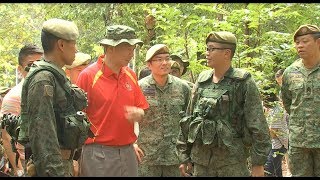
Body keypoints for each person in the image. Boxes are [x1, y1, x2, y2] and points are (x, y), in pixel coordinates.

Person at [176, 31, 271, 177]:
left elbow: (258, 124)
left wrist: (258, 163)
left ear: (227, 53)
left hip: (232, 163)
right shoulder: (202, 80)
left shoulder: (243, 82)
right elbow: (189, 120)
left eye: (212, 49)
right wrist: (184, 156)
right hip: (201, 163)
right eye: (207, 49)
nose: (207, 53)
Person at [17, 18, 89, 177]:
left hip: (62, 164)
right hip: (52, 169)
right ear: (61, 45)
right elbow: (44, 137)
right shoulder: (44, 79)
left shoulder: (56, 76)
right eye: (73, 43)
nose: (76, 49)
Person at [76, 25, 149, 177]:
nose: (131, 52)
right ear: (110, 48)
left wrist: (139, 113)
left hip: (128, 150)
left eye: (133, 47)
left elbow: (141, 108)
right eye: (126, 47)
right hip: (98, 152)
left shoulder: (130, 75)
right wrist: (74, 157)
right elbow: (75, 118)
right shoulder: (88, 76)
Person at [136, 44, 191, 177]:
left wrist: (188, 155)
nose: (165, 63)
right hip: (147, 156)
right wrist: (132, 143)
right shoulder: (139, 87)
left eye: (167, 59)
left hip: (175, 157)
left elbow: (189, 123)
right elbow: (129, 119)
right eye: (159, 59)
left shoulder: (183, 88)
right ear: (149, 65)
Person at [281, 24, 320, 177]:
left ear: (318, 42)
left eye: (304, 41)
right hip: (299, 143)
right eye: (297, 42)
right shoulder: (290, 72)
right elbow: (288, 102)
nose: (300, 46)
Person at [0, 44, 43, 177]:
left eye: (41, 64)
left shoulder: (48, 92)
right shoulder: (14, 97)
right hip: (26, 163)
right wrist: (18, 168)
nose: (36, 69)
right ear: (20, 69)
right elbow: (7, 137)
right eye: (31, 65)